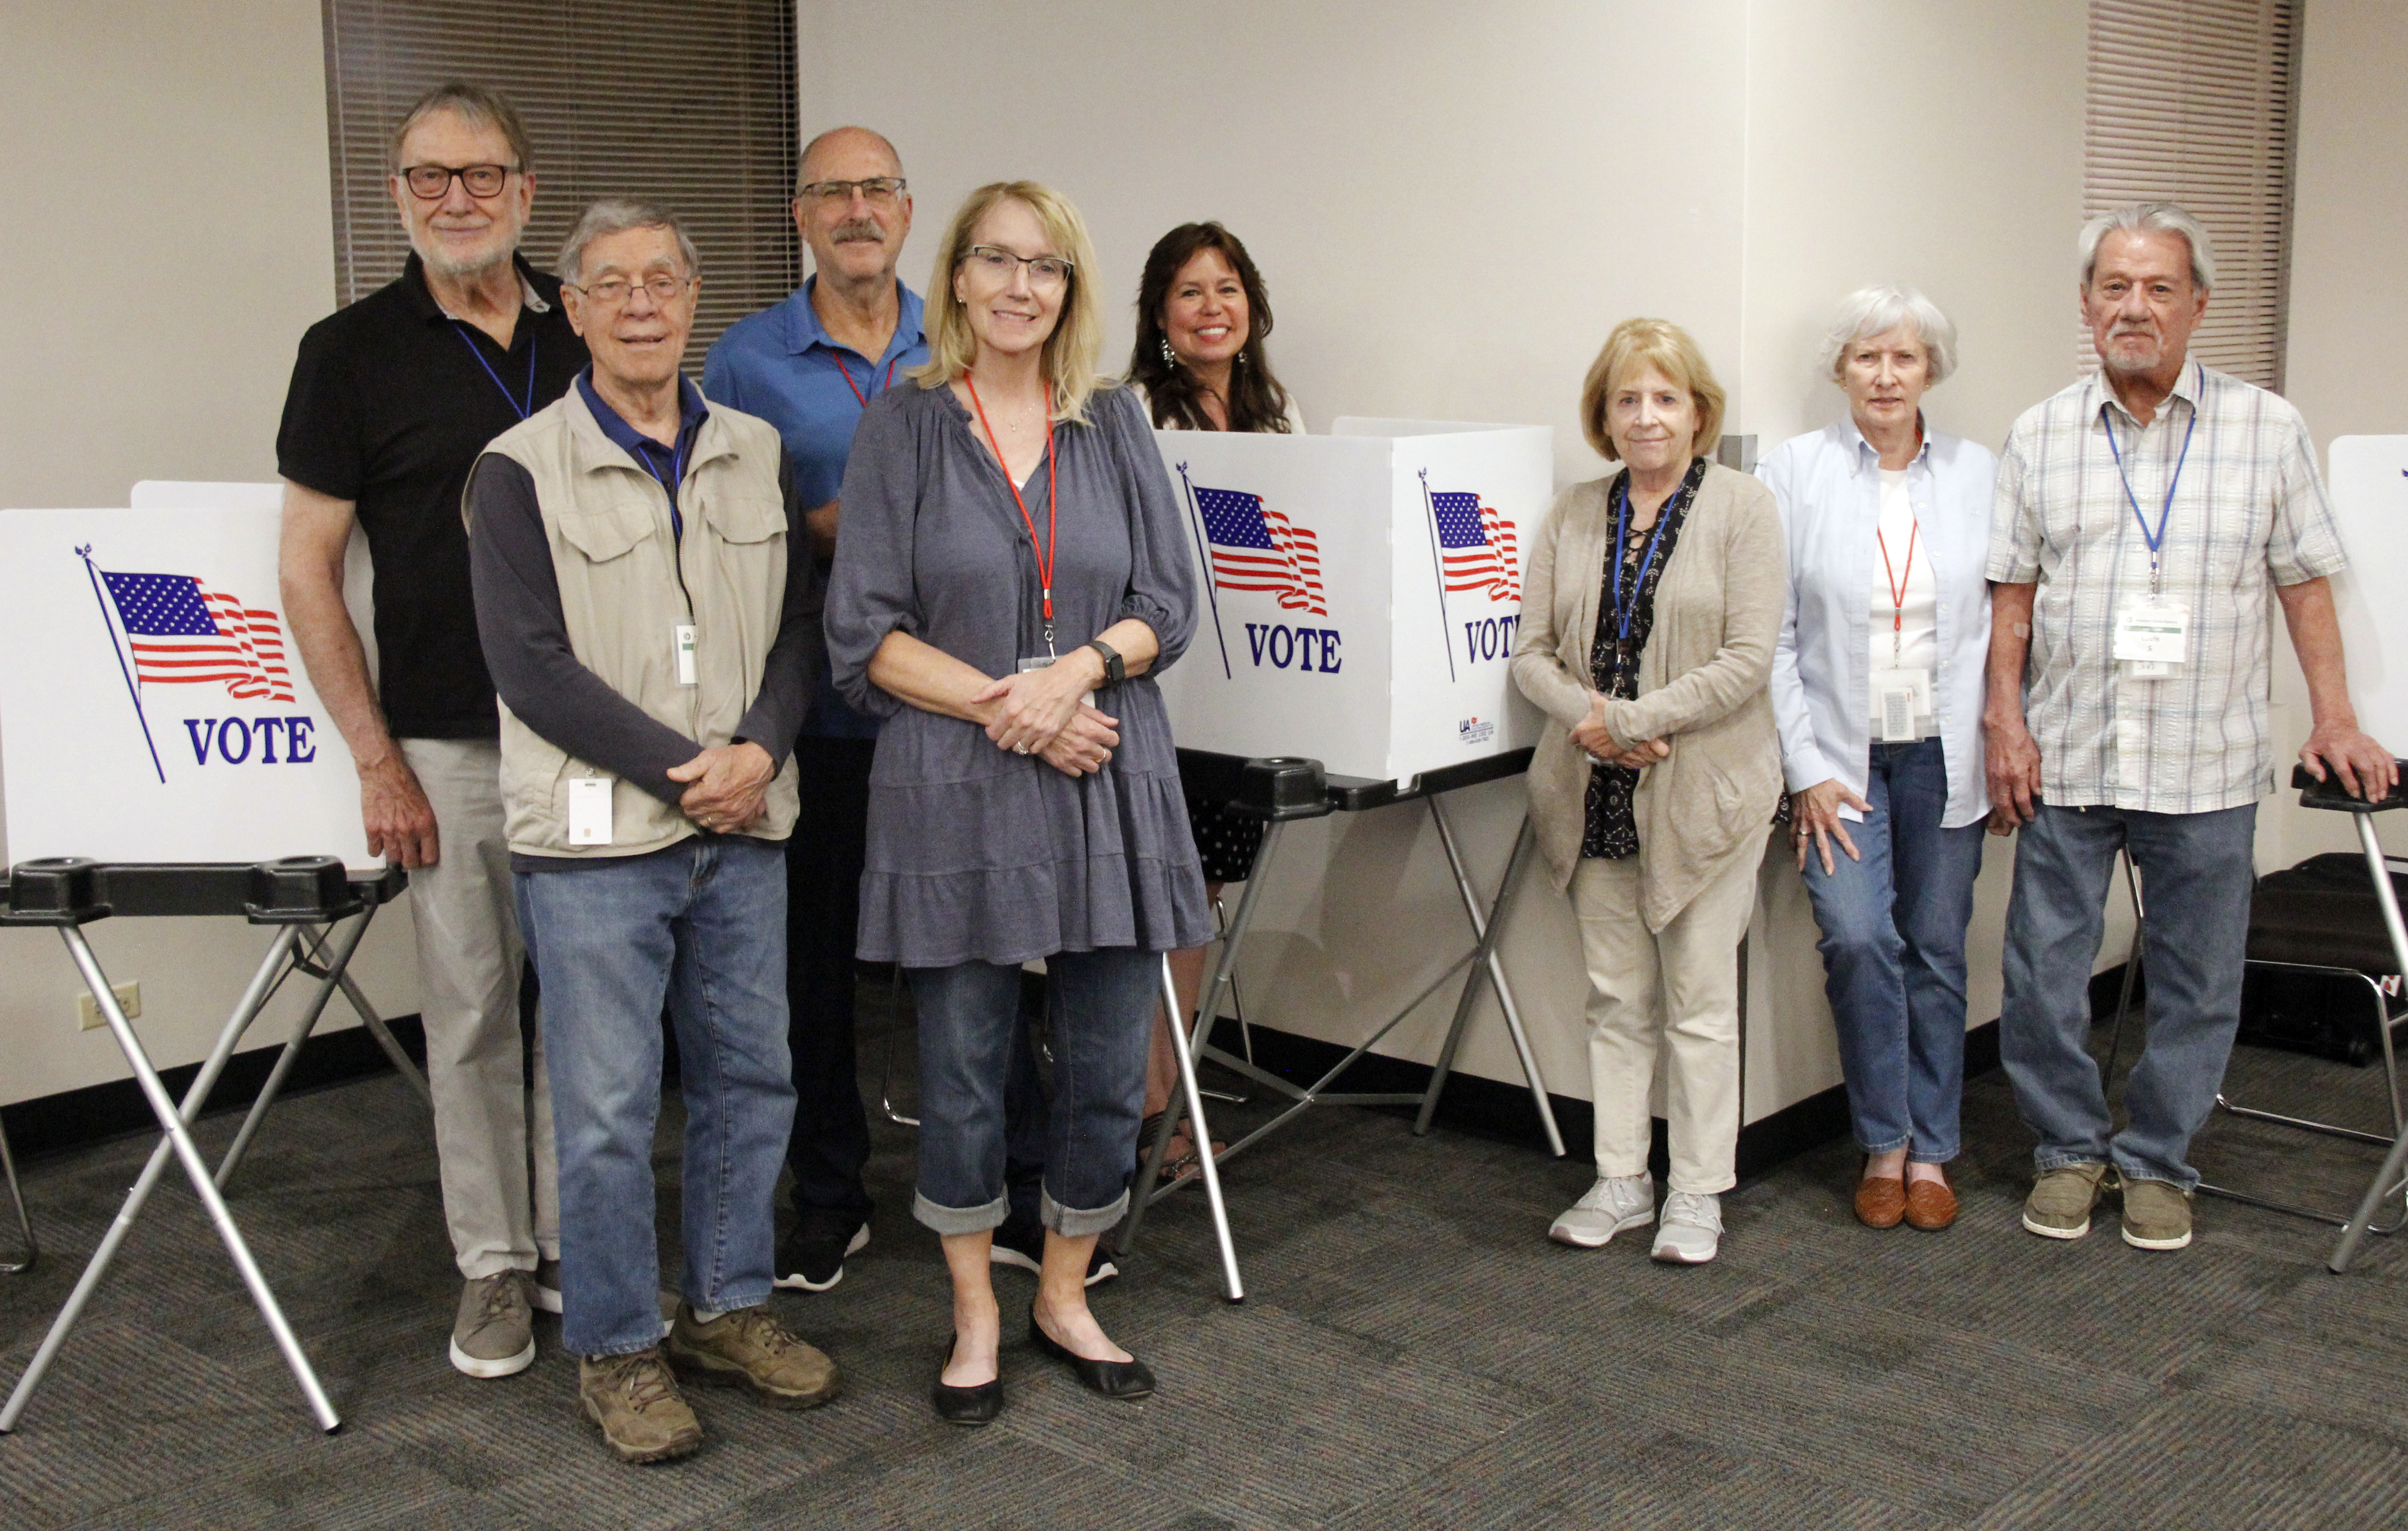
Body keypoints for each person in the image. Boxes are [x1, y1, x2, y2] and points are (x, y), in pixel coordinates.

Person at [826, 181, 1210, 1424]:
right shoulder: (906, 425)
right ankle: (975, 1313)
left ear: (1071, 290)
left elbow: (1169, 604)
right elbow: (864, 633)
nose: (1019, 286)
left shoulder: (1113, 423)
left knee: (1105, 1063)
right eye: (995, 261)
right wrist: (1012, 705)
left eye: (1045, 267)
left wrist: (1074, 676)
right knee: (965, 1065)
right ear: (957, 279)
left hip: (1105, 762)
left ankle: (1061, 1290)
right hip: (958, 777)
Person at [466, 200, 837, 1464]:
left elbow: (800, 631)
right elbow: (529, 668)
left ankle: (731, 1307)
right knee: (611, 1107)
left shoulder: (759, 450)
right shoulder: (518, 471)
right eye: (610, 284)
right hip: (593, 847)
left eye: (663, 282)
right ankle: (619, 1349)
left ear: (694, 302)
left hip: (746, 823)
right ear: (571, 309)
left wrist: (760, 755)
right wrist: (691, 772)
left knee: (752, 1077)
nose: (639, 303)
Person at [1985, 202, 2395, 1252]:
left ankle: (2160, 1159)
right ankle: (2068, 1149)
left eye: (2159, 288)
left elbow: (2305, 583)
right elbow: (2013, 597)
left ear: (2198, 305)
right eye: (2114, 287)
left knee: (2200, 978)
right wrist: (2005, 723)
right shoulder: (2040, 434)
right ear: (2086, 306)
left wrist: (2336, 717)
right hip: (2071, 750)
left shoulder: (2267, 427)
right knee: (2039, 971)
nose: (2135, 307)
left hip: (2205, 759)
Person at [276, 81, 582, 1381]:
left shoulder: (592, 332)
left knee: (594, 1010)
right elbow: (307, 568)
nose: (455, 199)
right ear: (397, 196)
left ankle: (585, 1241)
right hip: (449, 743)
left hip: (594, 739)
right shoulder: (346, 352)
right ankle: (495, 1269)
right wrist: (374, 757)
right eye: (427, 178)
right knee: (468, 1015)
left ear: (525, 190)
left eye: (481, 175)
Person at [700, 126, 925, 1295]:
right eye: (831, 193)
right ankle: (830, 1198)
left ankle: (993, 1182)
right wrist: (839, 526)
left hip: (950, 717)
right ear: (800, 216)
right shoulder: (745, 362)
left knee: (968, 955)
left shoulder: (961, 339)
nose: (855, 210)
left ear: (905, 206)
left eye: (875, 189)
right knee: (814, 975)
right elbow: (728, 535)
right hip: (825, 718)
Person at [1511, 317, 1784, 1266]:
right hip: (1593, 793)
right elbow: (1532, 653)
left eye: (1666, 398)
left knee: (1702, 1002)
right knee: (1614, 997)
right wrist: (1593, 722)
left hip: (1704, 790)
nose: (1646, 416)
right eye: (1627, 399)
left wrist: (1627, 721)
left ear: (1699, 411)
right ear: (1604, 414)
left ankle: (1699, 1191)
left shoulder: (1744, 508)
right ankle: (1622, 1177)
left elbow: (1749, 659)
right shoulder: (1576, 512)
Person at [1761, 287, 1995, 1233]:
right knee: (1860, 941)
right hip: (1838, 761)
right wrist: (1805, 767)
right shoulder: (1795, 473)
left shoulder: (1981, 473)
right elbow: (1771, 636)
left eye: (1904, 358)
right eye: (1867, 358)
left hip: (1946, 753)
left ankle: (1932, 1151)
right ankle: (1881, 1140)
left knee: (1937, 949)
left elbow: (2010, 618)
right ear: (1840, 370)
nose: (1886, 375)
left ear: (1931, 367)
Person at [1125, 220, 1301, 1177]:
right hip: (1170, 697)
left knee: (1200, 901)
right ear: (1160, 315)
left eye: (1227, 288)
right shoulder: (1134, 417)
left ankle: (1165, 1101)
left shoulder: (1279, 414)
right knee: (1172, 907)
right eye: (1190, 292)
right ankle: (1155, 1109)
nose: (1211, 309)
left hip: (1255, 694)